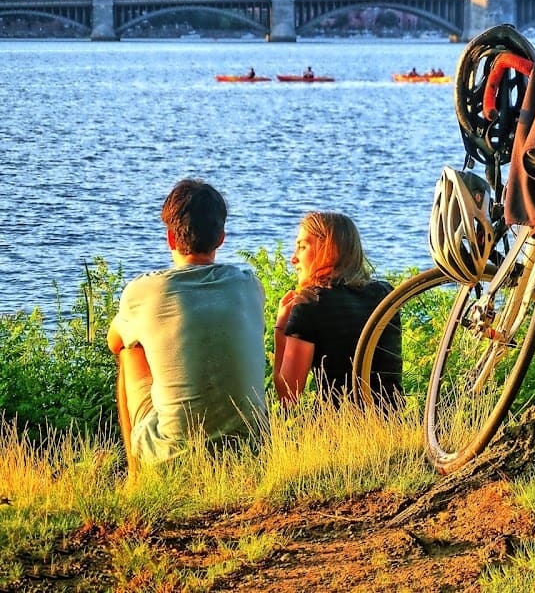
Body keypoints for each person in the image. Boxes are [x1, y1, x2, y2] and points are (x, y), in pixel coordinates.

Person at [107, 178, 267, 476]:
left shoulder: (145, 290)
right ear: (221, 238)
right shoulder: (249, 285)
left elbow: (114, 342)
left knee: (131, 351)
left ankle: (136, 475)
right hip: (252, 452)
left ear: (170, 238)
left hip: (170, 458)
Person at [273, 211, 400, 408]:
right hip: (390, 421)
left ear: (328, 250)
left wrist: (280, 329)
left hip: (335, 426)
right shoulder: (385, 294)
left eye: (302, 247)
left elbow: (288, 396)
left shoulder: (310, 303)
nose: (293, 259)